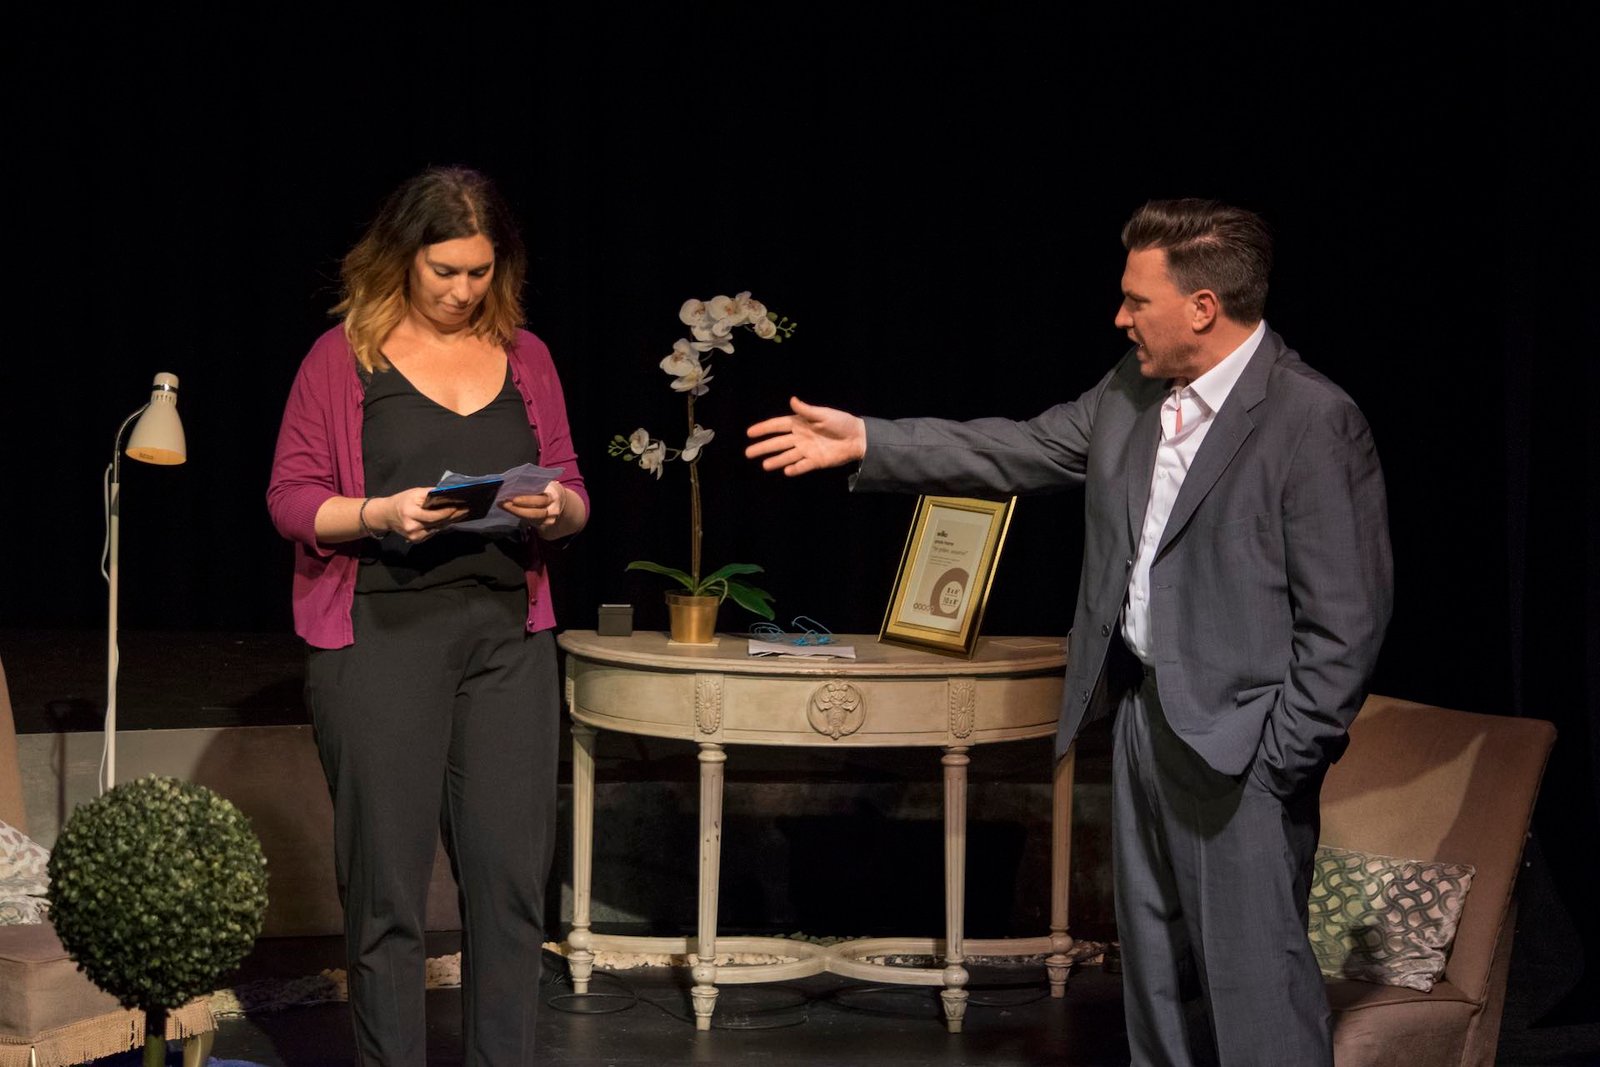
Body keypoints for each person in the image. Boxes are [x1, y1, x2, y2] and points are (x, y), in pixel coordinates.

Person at [745, 198, 1392, 1066]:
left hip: (1244, 747)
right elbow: (1017, 448)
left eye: (1138, 300)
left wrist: (1278, 760)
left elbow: (1346, 623)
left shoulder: (1311, 419)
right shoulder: (1133, 390)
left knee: (1256, 991)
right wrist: (869, 440)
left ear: (1203, 307)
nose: (1121, 317)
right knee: (1154, 980)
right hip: (1145, 720)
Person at [267, 166, 588, 1066]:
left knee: (510, 884)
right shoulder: (342, 358)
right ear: (404, 257)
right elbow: (292, 498)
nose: (462, 290)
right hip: (382, 635)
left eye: (480, 271)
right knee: (387, 891)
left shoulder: (527, 356)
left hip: (507, 637)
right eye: (445, 270)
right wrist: (381, 512)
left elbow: (571, 483)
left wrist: (555, 507)